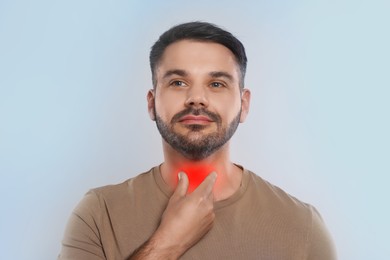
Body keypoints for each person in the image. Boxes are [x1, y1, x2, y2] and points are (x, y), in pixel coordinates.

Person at [58, 21, 337, 260]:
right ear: (152, 103)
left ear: (244, 104)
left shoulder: (303, 227)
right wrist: (166, 244)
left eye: (216, 84)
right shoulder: (98, 214)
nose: (197, 98)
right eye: (178, 82)